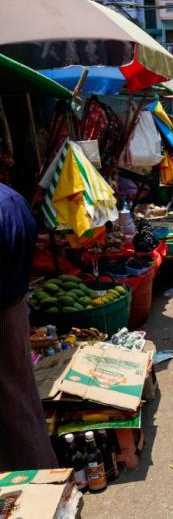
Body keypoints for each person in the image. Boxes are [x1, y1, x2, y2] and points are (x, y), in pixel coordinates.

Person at [0, 183, 59, 471]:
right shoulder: (11, 199)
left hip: (6, 307)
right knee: (20, 403)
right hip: (13, 306)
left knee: (14, 406)